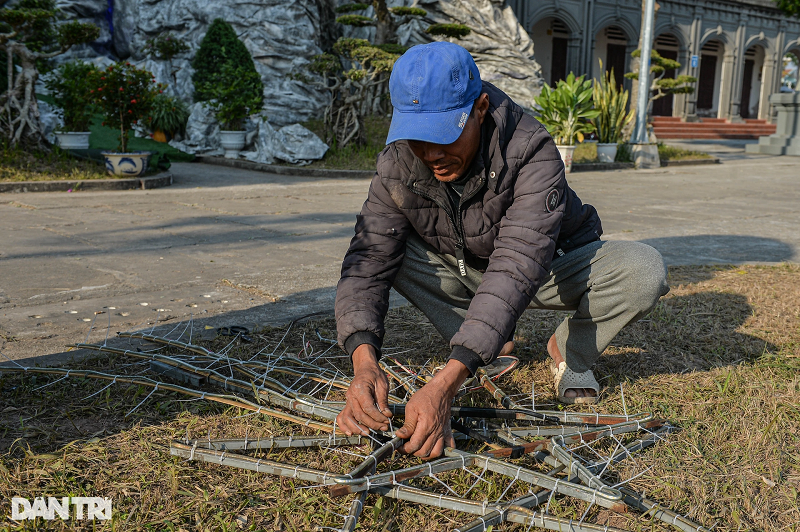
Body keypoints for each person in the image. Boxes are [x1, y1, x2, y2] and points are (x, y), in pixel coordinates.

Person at [334, 42, 669, 459]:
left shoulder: (531, 151)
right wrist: (364, 363)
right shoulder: (398, 162)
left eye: (444, 136)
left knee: (643, 270)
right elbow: (368, 262)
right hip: (462, 265)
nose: (432, 155)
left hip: (543, 268)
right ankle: (487, 343)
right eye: (419, 140)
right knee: (383, 247)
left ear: (480, 107)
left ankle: (569, 350)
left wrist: (444, 385)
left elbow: (515, 268)